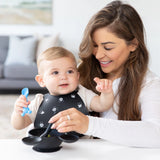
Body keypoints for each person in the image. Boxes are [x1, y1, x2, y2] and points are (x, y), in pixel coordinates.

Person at [48, 1, 160, 147]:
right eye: (94, 45)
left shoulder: (149, 84)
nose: (99, 55)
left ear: (133, 44)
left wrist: (89, 124)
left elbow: (156, 133)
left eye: (108, 47)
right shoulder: (80, 72)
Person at [11, 46, 114, 130]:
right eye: (55, 72)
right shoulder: (39, 101)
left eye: (69, 71)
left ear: (77, 76)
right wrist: (18, 112)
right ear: (41, 80)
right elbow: (19, 125)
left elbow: (102, 105)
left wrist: (106, 93)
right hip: (48, 147)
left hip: (81, 147)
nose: (64, 77)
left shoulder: (83, 94)